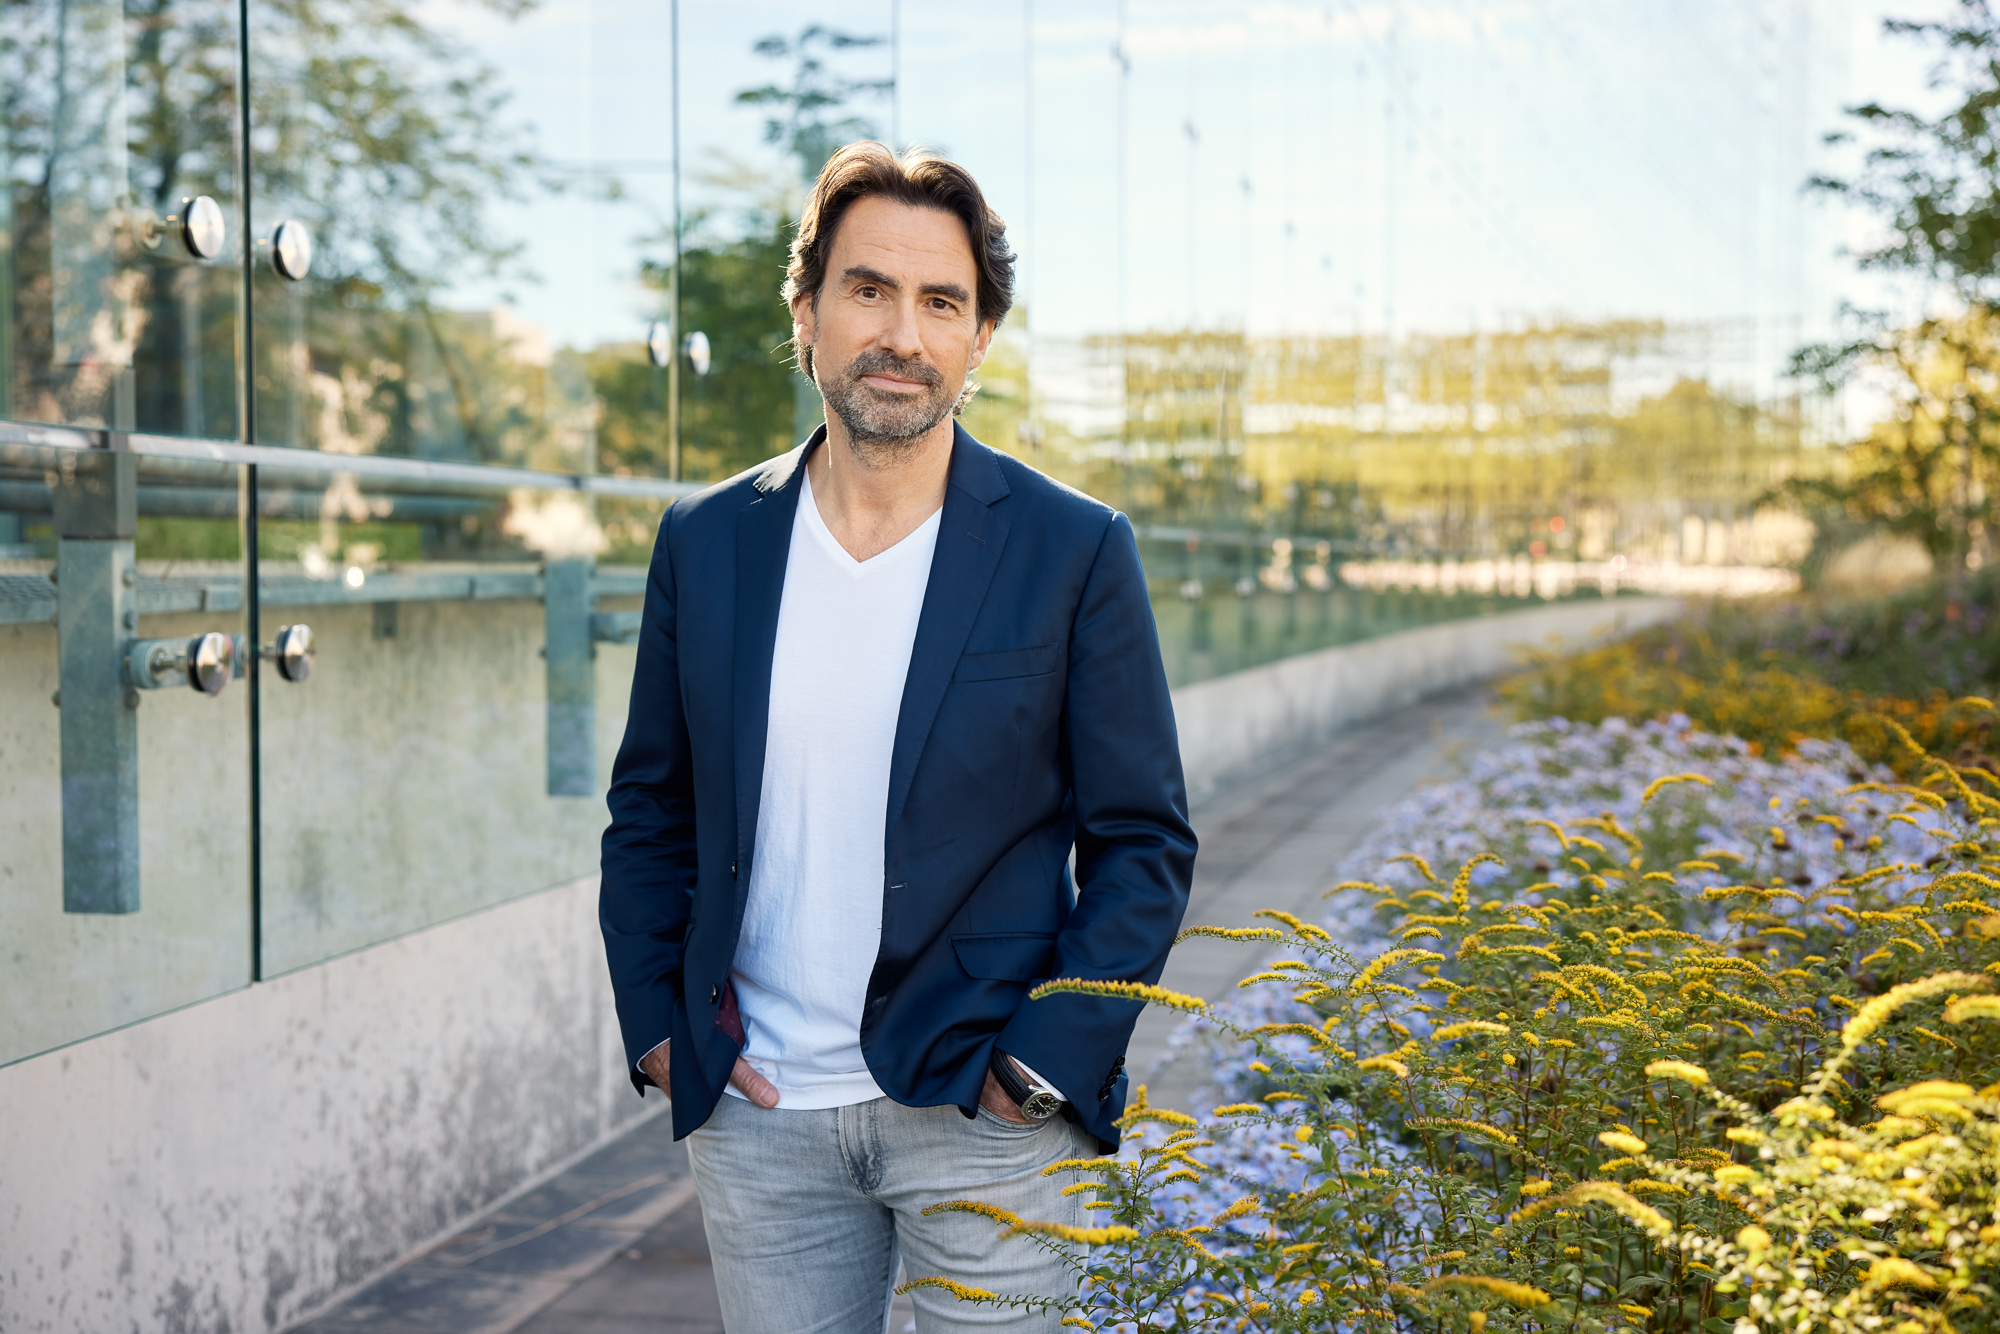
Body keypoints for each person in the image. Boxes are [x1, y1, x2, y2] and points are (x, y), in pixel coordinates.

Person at [599, 141, 1195, 1333]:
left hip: (987, 1118)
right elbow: (652, 809)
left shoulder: (1070, 549)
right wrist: (663, 1029)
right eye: (868, 289)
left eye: (941, 303)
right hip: (760, 1121)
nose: (902, 335)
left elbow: (1140, 840)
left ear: (978, 340)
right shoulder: (706, 541)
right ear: (807, 309)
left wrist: (1042, 1064)